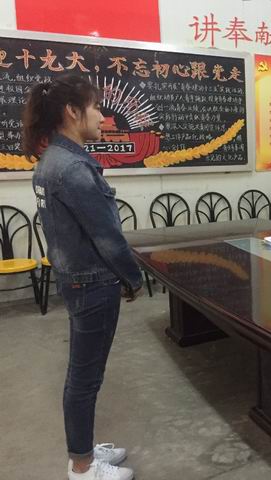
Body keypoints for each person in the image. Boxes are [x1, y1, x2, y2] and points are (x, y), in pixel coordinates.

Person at [23, 74, 143, 480]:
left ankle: (84, 450)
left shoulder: (52, 161)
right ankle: (82, 466)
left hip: (76, 279)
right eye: (96, 108)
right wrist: (133, 278)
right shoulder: (72, 168)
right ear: (73, 112)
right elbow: (107, 237)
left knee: (84, 373)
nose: (102, 117)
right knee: (85, 377)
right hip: (92, 283)